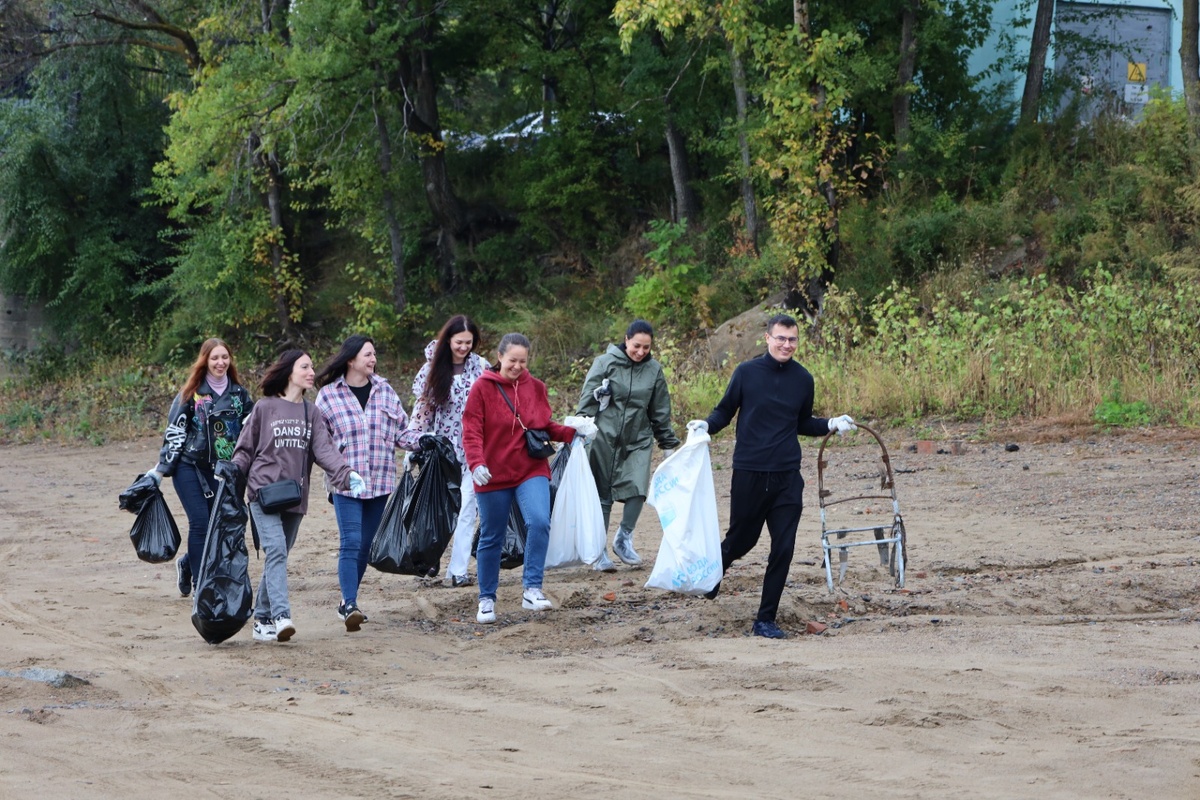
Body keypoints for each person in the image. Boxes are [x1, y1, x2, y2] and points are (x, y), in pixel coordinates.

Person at [689, 313, 856, 640]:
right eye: (780, 338)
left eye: (792, 339)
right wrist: (705, 426)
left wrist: (830, 424)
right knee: (742, 541)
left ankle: (765, 619)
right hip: (749, 472)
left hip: (786, 477)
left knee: (784, 546)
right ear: (767, 338)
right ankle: (713, 576)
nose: (786, 344)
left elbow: (802, 422)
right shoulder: (746, 373)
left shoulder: (803, 379)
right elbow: (725, 411)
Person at [232, 349, 366, 643]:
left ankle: (262, 619)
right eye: (305, 366)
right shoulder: (265, 408)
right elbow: (244, 450)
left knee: (278, 556)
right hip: (262, 492)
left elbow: (325, 451)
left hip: (294, 496)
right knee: (277, 551)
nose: (311, 372)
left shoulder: (311, 412)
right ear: (288, 371)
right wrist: (230, 475)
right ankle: (281, 616)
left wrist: (346, 474)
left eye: (311, 366)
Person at [462, 332, 587, 625]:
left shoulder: (536, 387)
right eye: (512, 360)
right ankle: (487, 598)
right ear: (500, 357)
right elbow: (471, 430)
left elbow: (542, 427)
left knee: (539, 521)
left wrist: (573, 432)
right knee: (492, 534)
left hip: (530, 468)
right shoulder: (481, 388)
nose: (517, 366)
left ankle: (532, 588)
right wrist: (476, 462)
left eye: (523, 361)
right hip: (491, 473)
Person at [315, 334, 417, 632]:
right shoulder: (328, 395)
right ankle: (349, 604)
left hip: (381, 480)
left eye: (374, 354)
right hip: (346, 482)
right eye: (367, 355)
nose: (373, 360)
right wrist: (339, 470)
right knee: (351, 541)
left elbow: (402, 433)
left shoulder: (385, 391)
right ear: (351, 360)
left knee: (366, 546)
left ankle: (349, 601)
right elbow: (320, 443)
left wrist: (424, 442)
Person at [146, 338, 254, 598]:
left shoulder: (239, 394)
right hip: (189, 468)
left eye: (224, 357)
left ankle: (186, 564)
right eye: (215, 358)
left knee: (220, 527)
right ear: (204, 360)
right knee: (201, 524)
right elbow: (175, 432)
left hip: (224, 471)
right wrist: (160, 470)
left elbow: (252, 427)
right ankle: (200, 586)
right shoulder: (191, 393)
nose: (220, 362)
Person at [576, 319, 680, 571]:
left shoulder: (653, 370)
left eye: (646, 347)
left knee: (638, 489)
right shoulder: (604, 363)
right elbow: (586, 402)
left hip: (638, 438)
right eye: (636, 346)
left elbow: (660, 409)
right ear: (626, 340)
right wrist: (580, 430)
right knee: (603, 495)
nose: (641, 352)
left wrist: (667, 443)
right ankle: (599, 551)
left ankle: (624, 538)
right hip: (603, 436)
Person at [405, 315, 490, 588]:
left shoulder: (481, 368)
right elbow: (423, 410)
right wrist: (414, 442)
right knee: (441, 511)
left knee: (468, 507)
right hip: (443, 451)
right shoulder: (432, 369)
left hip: (476, 448)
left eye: (469, 342)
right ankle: (429, 558)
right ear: (448, 341)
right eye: (459, 342)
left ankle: (458, 570)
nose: (464, 348)